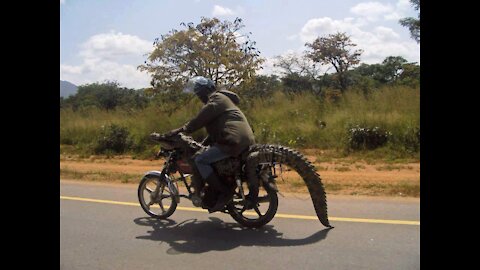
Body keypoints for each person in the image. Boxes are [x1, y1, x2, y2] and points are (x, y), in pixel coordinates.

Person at [167, 76, 256, 212]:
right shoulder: (223, 100)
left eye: (199, 93)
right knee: (204, 155)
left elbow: (199, 120)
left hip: (232, 141)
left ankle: (223, 191)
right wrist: (202, 145)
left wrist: (180, 130)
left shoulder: (216, 99)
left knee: (200, 160)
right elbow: (215, 132)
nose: (199, 96)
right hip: (241, 139)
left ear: (206, 90)